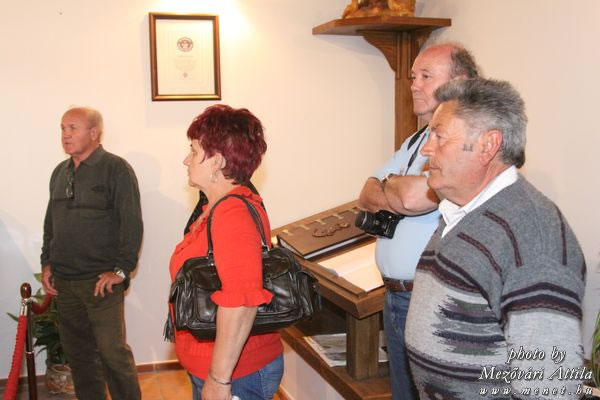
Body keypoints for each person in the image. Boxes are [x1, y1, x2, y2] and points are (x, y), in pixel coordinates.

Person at [405, 78, 586, 399]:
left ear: (488, 145)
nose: (426, 149)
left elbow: (548, 387)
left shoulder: (534, 237)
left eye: (439, 136)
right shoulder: (462, 210)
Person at [357, 42, 478, 399]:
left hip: (429, 301)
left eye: (426, 76)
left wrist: (393, 187)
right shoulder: (417, 140)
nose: (414, 85)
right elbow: (365, 192)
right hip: (396, 297)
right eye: (413, 77)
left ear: (460, 82)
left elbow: (415, 197)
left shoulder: (465, 139)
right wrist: (397, 189)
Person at [169, 104, 283, 400]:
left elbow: (241, 302)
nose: (186, 159)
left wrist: (219, 379)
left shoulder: (233, 213)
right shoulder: (216, 208)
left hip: (237, 374)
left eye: (194, 151)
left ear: (216, 161)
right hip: (219, 368)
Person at [40, 106, 143, 400]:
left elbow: (132, 223)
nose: (65, 134)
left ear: (94, 132)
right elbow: (51, 223)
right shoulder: (59, 172)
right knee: (80, 357)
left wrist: (121, 270)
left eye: (73, 128)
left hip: (101, 284)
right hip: (65, 284)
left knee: (113, 355)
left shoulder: (116, 169)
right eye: (63, 128)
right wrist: (47, 263)